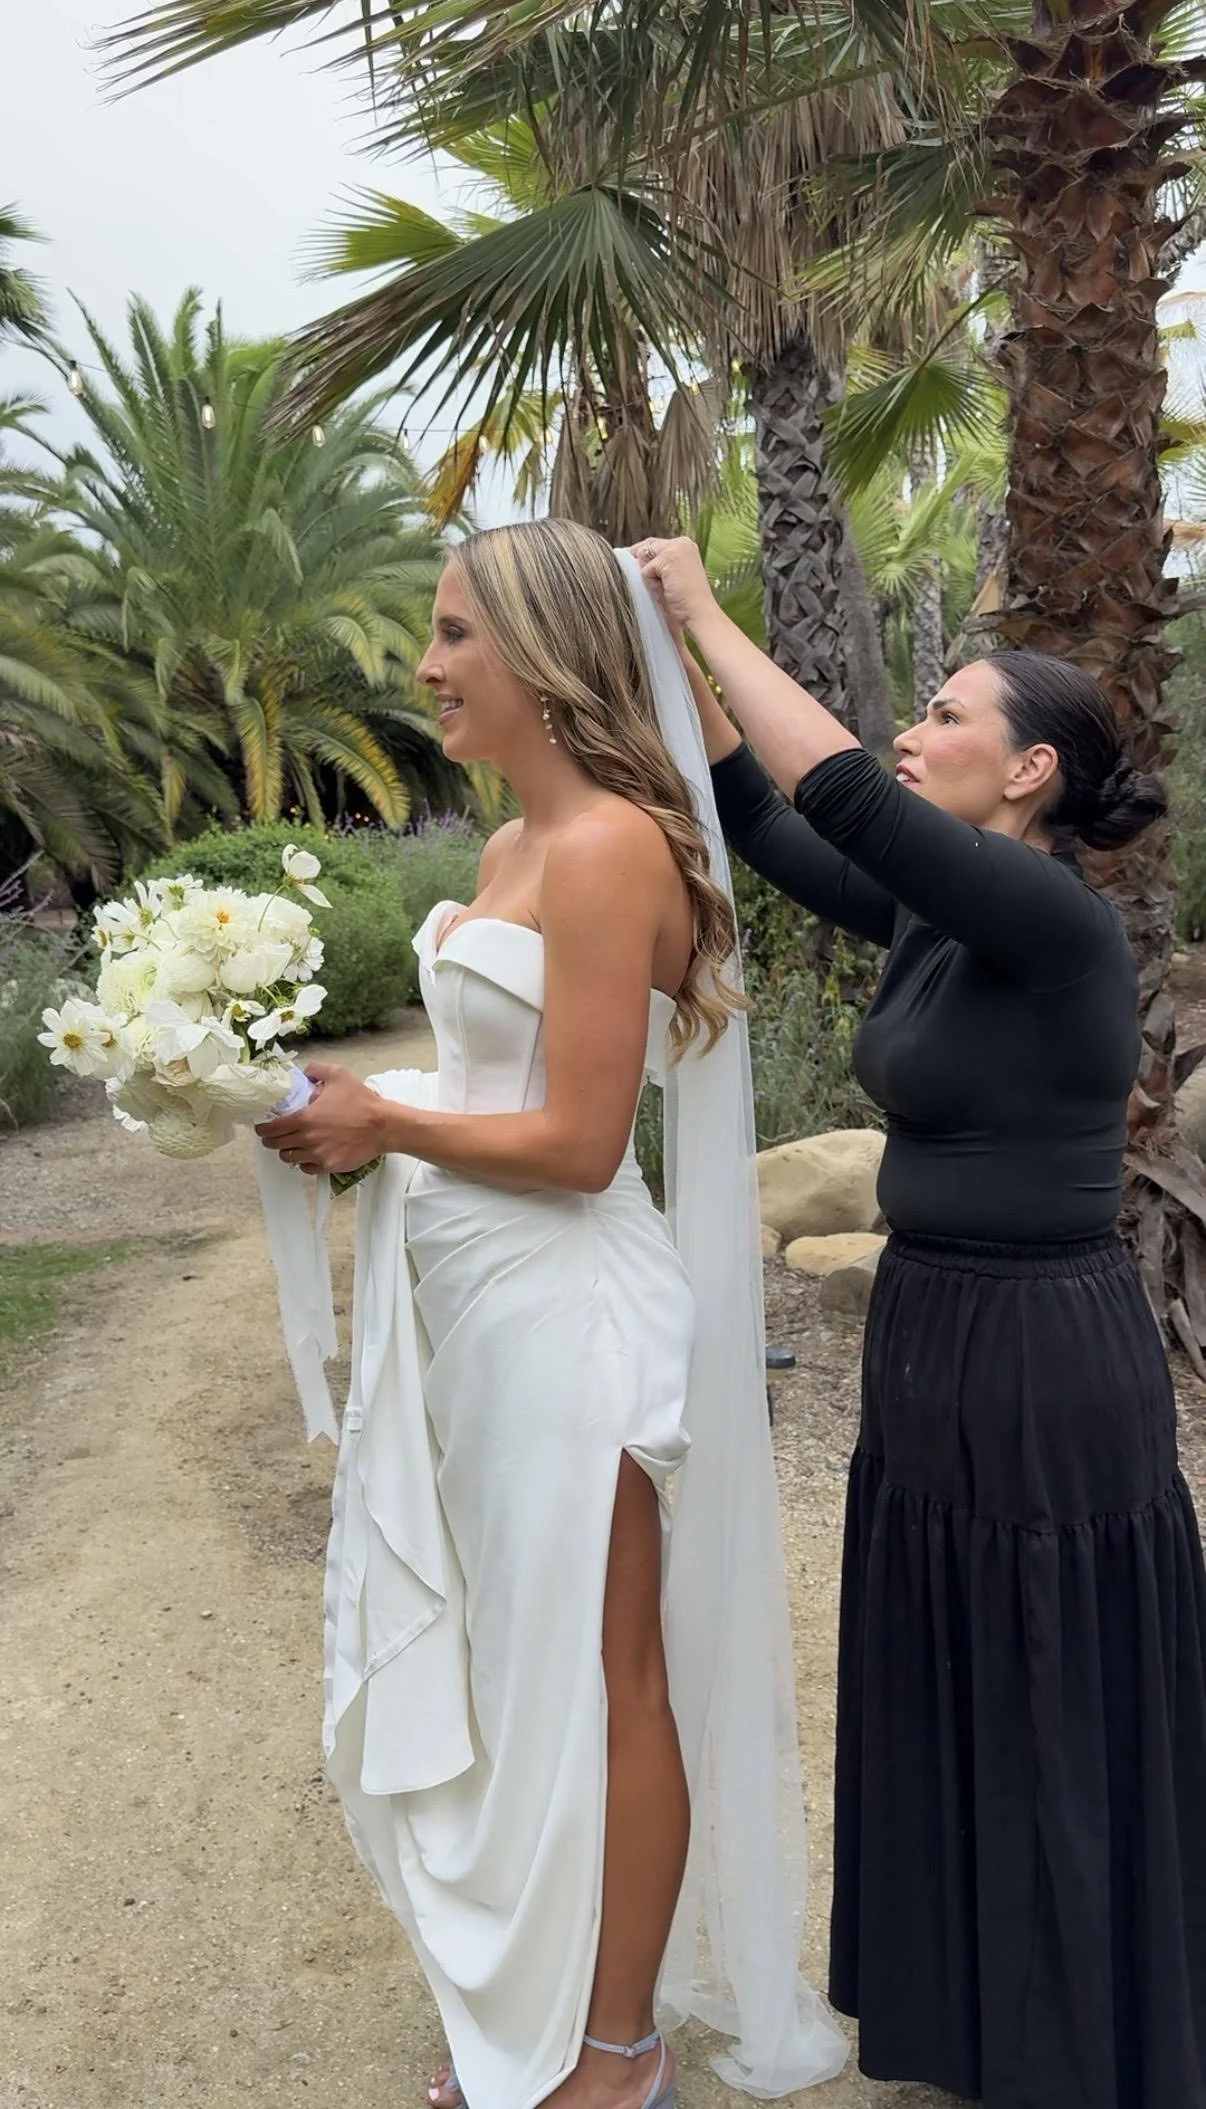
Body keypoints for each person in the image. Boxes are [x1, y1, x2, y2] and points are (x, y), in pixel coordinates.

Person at [256, 520, 847, 2109]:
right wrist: (326, 1099)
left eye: (456, 634)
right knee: (514, 1665)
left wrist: (386, 1125)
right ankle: (526, 2009)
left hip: (569, 1312)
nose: (427, 666)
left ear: (543, 650)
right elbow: (490, 1076)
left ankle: (617, 2046)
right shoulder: (511, 845)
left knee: (602, 1670)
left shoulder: (604, 849)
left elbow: (583, 1146)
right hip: (474, 1303)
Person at [631, 532, 1206, 2109]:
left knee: (1042, 1673)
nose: (909, 728)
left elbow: (839, 795)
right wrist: (666, 663)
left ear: (1028, 772)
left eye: (943, 713)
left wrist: (701, 606)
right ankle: (972, 2021)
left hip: (1039, 1353)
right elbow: (767, 817)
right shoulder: (945, 921)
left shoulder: (1050, 919)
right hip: (935, 1330)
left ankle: (1082, 2039)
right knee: (956, 1658)